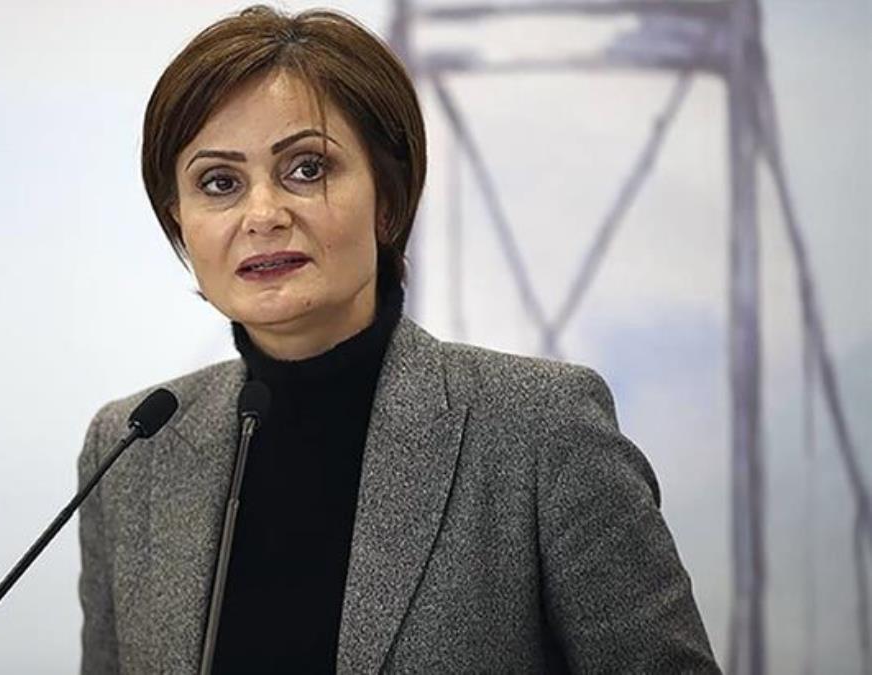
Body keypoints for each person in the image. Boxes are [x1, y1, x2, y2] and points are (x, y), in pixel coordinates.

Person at [77, 5, 719, 673]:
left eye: (307, 169)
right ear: (180, 222)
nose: (262, 215)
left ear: (387, 200)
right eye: (220, 183)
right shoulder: (128, 449)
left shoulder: (541, 428)